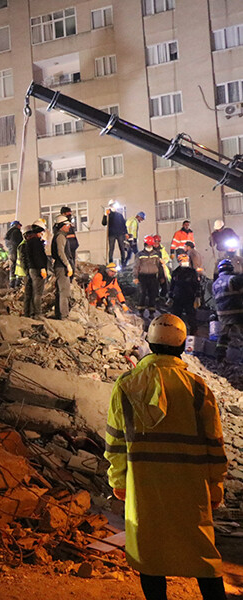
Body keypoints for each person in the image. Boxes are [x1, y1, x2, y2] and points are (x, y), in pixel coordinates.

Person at [105, 313, 227, 600]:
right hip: (191, 487)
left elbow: (116, 441)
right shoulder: (197, 388)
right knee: (202, 554)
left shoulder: (126, 385)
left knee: (150, 553)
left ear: (150, 343)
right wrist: (216, 486)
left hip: (144, 487)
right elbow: (215, 445)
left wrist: (118, 480)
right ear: (182, 346)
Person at [213, 258, 243, 361]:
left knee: (223, 336)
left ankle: (219, 355)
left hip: (222, 314)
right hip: (237, 312)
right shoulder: (233, 279)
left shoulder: (215, 283)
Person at [134, 236, 167, 319]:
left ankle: (151, 312)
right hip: (142, 277)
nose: (149, 246)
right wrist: (135, 277)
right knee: (142, 294)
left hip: (153, 277)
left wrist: (161, 277)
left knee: (153, 294)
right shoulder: (139, 255)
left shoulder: (156, 254)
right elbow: (136, 266)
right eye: (148, 244)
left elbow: (159, 266)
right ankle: (141, 311)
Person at [20, 224, 47, 319]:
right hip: (36, 269)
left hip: (30, 270)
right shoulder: (36, 242)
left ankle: (30, 313)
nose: (41, 235)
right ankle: (37, 313)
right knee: (37, 293)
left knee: (31, 293)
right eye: (41, 233)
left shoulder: (27, 243)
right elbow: (37, 256)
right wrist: (42, 268)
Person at [51, 215, 74, 320]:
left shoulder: (60, 235)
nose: (69, 227)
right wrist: (67, 265)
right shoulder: (60, 236)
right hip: (61, 267)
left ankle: (59, 313)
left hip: (60, 266)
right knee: (64, 292)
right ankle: (64, 315)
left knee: (61, 291)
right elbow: (61, 252)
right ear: (62, 226)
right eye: (67, 225)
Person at [170, 255, 201, 332]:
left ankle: (193, 330)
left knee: (191, 315)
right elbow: (172, 285)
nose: (185, 262)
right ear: (179, 262)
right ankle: (175, 330)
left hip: (189, 296)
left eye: (186, 260)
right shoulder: (176, 272)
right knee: (176, 315)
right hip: (178, 297)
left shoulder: (192, 272)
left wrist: (198, 296)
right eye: (183, 260)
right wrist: (170, 296)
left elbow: (196, 284)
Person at [102, 199, 128, 266]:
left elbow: (123, 224)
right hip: (111, 234)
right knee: (111, 249)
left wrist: (126, 233)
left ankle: (123, 263)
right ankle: (111, 263)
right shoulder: (108, 215)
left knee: (122, 248)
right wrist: (105, 215)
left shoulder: (119, 215)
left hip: (120, 234)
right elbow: (104, 223)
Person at [4, 220, 23, 288]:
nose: (20, 227)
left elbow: (7, 244)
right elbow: (20, 242)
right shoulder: (17, 232)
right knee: (19, 267)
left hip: (10, 252)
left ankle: (12, 284)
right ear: (16, 225)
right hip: (17, 252)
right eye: (19, 225)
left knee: (12, 268)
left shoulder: (8, 234)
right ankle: (18, 283)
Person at [61, 206, 80, 272]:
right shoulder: (60, 225)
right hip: (67, 248)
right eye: (68, 213)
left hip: (72, 248)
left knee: (72, 264)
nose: (69, 215)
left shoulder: (70, 224)